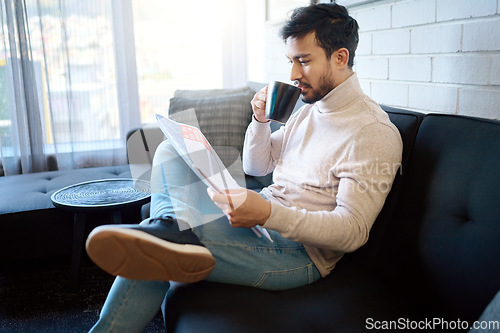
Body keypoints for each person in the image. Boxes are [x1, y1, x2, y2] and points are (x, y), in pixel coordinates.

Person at [86, 3, 403, 332]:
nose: (293, 74)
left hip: (295, 253)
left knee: (154, 251)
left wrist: (267, 214)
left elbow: (352, 232)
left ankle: (171, 232)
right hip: (262, 214)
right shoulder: (312, 109)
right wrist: (260, 121)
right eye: (291, 61)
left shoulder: (372, 132)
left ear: (339, 58)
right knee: (167, 150)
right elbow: (259, 164)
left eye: (304, 61)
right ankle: (171, 226)